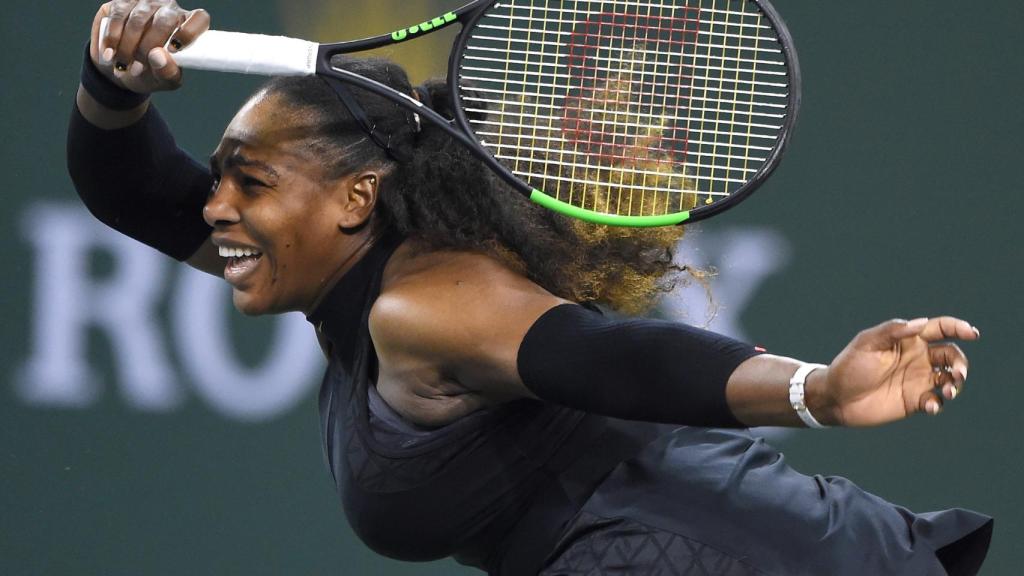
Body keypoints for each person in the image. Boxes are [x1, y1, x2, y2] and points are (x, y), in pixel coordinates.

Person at [68, 2, 992, 574]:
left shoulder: (422, 303)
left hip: (734, 553)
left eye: (250, 182)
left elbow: (610, 359)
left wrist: (813, 393)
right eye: (219, 180)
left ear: (356, 199)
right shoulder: (344, 274)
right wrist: (113, 81)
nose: (216, 208)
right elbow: (135, 191)